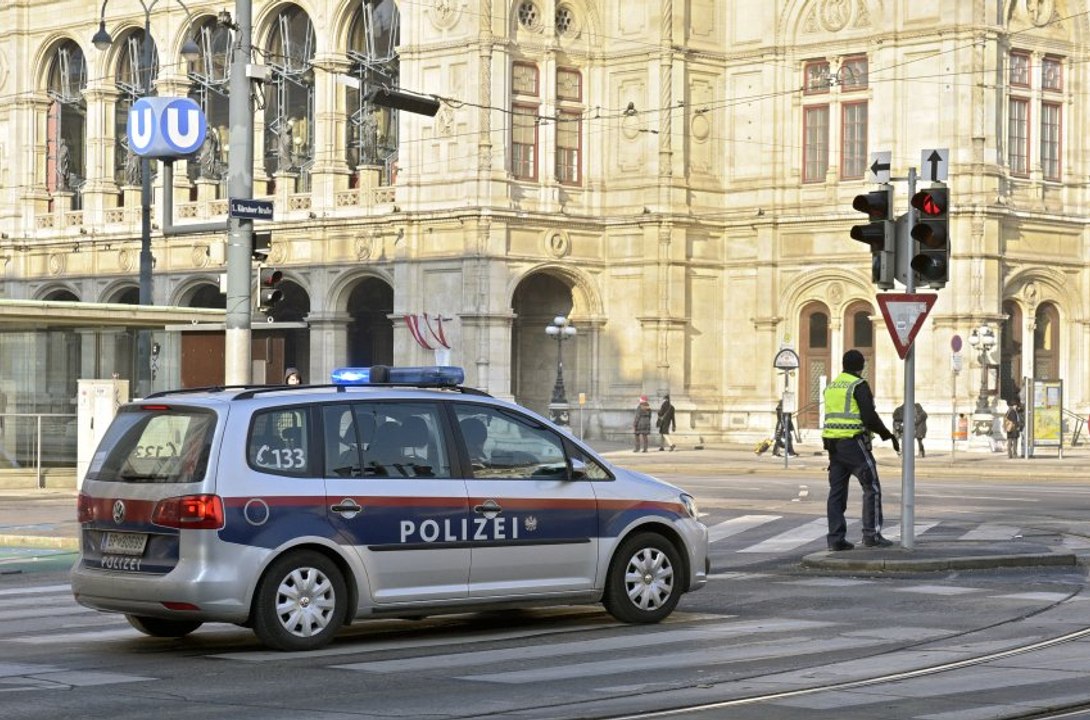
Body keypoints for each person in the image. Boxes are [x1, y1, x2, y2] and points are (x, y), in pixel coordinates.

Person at [821, 349, 900, 551]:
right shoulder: (858, 385)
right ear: (861, 366)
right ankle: (871, 535)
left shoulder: (831, 387)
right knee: (871, 487)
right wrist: (886, 434)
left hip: (833, 447)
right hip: (853, 444)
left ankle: (835, 539)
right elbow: (868, 416)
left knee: (836, 493)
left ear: (843, 364)